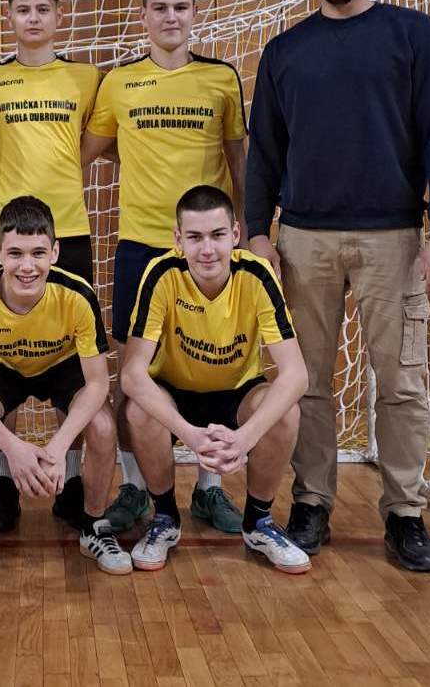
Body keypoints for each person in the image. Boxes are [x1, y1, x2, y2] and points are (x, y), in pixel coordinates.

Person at [245, 0, 430, 573]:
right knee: (305, 382)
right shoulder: (285, 51)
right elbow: (264, 154)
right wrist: (256, 231)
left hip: (393, 238)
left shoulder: (413, 35)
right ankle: (312, 503)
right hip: (302, 240)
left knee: (400, 383)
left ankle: (405, 512)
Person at [81, 0, 249, 535]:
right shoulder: (119, 83)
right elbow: (90, 148)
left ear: (194, 13)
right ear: (144, 15)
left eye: (180, 7)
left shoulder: (221, 78)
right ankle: (135, 485)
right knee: (134, 370)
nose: (170, 17)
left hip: (208, 250)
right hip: (141, 247)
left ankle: (209, 486)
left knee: (214, 365)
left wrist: (248, 232)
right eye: (159, 7)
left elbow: (238, 159)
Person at [0, 0, 103, 533]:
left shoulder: (87, 78)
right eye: (22, 9)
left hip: (66, 233)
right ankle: (5, 477)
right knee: (2, 361)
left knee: (68, 358)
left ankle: (68, 477)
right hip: (2, 236)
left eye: (42, 9)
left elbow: (88, 146)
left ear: (58, 16)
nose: (32, 18)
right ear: (8, 16)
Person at [121, 185, 309, 574]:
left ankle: (258, 523)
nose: (207, 249)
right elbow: (132, 374)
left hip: (236, 393)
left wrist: (245, 438)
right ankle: (165, 518)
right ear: (178, 240)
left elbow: (296, 375)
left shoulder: (257, 274)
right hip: (176, 393)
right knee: (139, 409)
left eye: (217, 235)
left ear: (235, 235)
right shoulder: (162, 273)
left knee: (286, 410)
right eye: (195, 237)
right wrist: (189, 435)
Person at [0, 197, 130, 575]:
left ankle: (94, 525)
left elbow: (98, 383)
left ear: (55, 253)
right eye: (15, 253)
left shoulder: (78, 295)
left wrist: (59, 446)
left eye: (38, 253)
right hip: (3, 368)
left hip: (61, 365)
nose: (27, 266)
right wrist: (13, 448)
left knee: (102, 424)